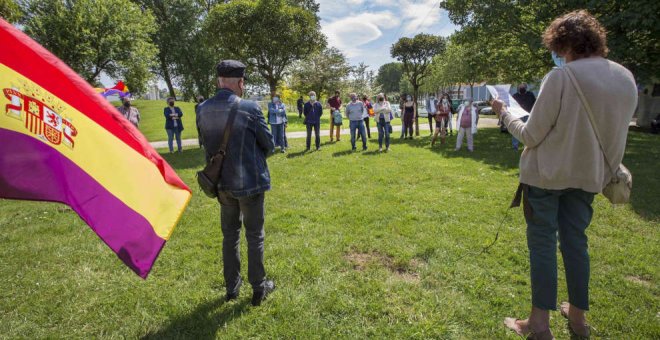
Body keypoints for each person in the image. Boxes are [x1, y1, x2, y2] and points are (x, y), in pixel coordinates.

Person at [492, 11, 638, 339]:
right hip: (590, 179)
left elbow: (530, 136)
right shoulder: (626, 78)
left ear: (563, 43)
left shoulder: (561, 77)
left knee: (543, 245)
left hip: (546, 178)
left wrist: (504, 114)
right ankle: (578, 318)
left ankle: (538, 325)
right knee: (576, 244)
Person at [196, 60, 276, 307]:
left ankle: (232, 287)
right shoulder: (250, 108)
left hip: (221, 185)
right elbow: (270, 145)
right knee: (255, 236)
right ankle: (259, 287)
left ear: (218, 81)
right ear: (240, 82)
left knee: (229, 236)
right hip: (250, 183)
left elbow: (205, 145)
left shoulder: (202, 108)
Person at [511, 83, 537, 150]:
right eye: (520, 86)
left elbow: (535, 104)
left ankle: (527, 146)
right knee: (516, 130)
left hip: (528, 115)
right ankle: (515, 147)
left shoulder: (530, 94)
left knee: (528, 131)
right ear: (518, 88)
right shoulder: (515, 96)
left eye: (523, 86)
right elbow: (512, 106)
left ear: (525, 87)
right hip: (518, 115)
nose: (522, 88)